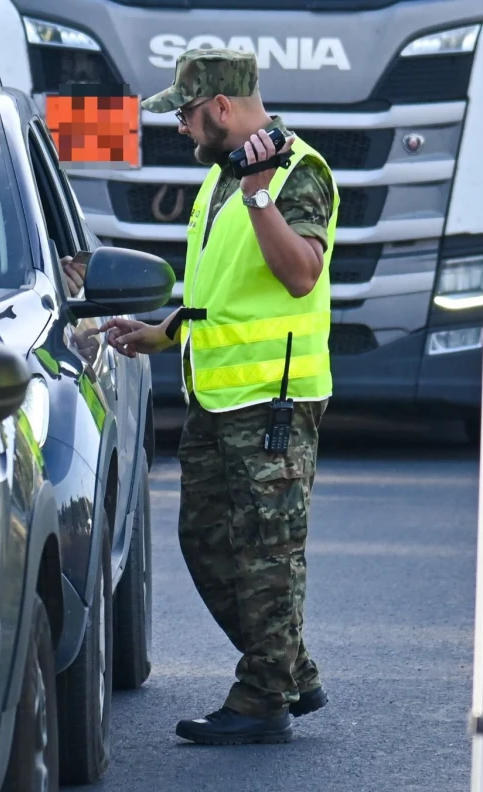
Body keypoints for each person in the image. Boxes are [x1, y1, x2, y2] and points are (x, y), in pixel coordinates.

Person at [100, 48, 339, 745]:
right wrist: (159, 333)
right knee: (204, 539)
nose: (180, 126)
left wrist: (262, 193)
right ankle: (290, 666)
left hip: (274, 402)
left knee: (267, 552)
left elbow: (299, 275)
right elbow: (219, 297)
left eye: (186, 113)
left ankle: (265, 697)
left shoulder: (296, 174)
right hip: (216, 400)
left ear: (223, 108)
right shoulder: (223, 179)